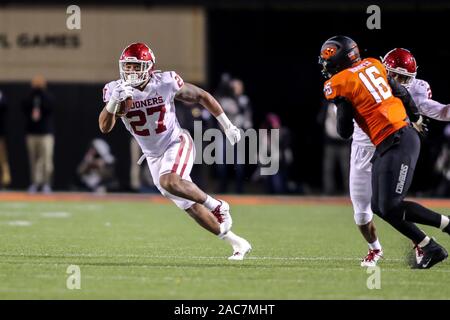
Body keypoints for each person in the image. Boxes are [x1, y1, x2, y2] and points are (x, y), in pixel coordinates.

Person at [98, 42, 251, 260]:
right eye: (127, 66)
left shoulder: (165, 82)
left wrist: (227, 125)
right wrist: (113, 103)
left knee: (169, 181)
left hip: (175, 141)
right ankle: (237, 242)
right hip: (152, 155)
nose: (130, 72)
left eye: (136, 66)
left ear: (149, 67)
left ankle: (218, 205)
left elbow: (201, 96)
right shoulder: (115, 90)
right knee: (190, 206)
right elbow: (105, 127)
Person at [320, 35, 450, 269]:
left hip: (396, 138)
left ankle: (437, 235)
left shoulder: (340, 83)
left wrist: (343, 104)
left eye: (328, 60)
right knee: (379, 207)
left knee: (389, 205)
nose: (324, 64)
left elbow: (343, 130)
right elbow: (401, 92)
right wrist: (416, 117)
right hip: (385, 142)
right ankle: (429, 246)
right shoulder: (374, 64)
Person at [21, 75, 55, 193]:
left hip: (46, 134)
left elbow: (50, 106)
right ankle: (35, 183)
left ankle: (46, 183)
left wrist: (41, 93)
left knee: (46, 161)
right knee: (34, 160)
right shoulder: (30, 96)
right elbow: (24, 105)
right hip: (32, 133)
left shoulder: (47, 96)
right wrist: (33, 93)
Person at [317, 99, 350, 195]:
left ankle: (348, 191)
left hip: (344, 142)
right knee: (328, 168)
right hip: (330, 142)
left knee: (346, 168)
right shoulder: (327, 104)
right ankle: (328, 191)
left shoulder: (346, 102)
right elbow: (320, 119)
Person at [0, 89, 11, 189]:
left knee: (3, 159)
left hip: (0, 135)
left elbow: (4, 107)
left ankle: (4, 182)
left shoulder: (2, 96)